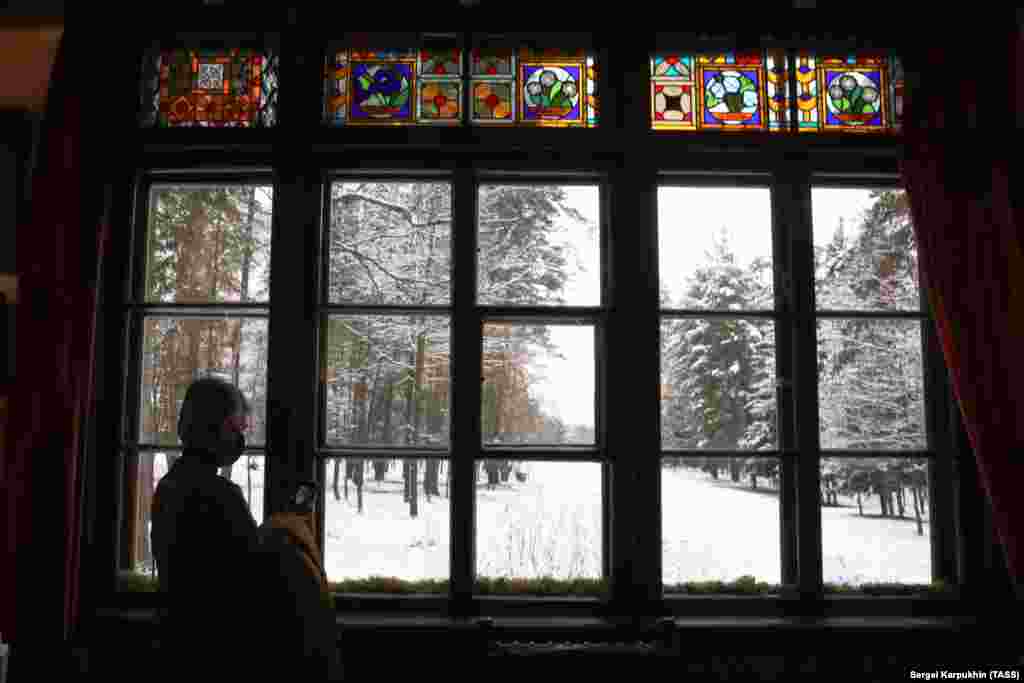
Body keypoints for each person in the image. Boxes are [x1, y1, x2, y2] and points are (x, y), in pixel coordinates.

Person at [150, 376, 342, 680]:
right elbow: (258, 575)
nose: (242, 438)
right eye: (239, 428)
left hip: (176, 643)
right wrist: (292, 521)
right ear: (217, 427)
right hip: (220, 652)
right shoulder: (221, 494)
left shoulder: (169, 486)